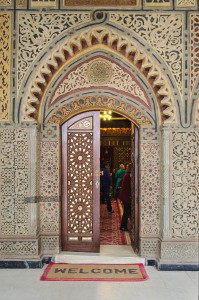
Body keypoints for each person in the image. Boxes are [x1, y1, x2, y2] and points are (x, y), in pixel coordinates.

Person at [120, 163, 132, 231]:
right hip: (127, 196)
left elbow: (121, 182)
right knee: (127, 212)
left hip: (125, 196)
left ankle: (124, 225)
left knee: (127, 211)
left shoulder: (126, 175)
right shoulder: (128, 176)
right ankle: (123, 226)